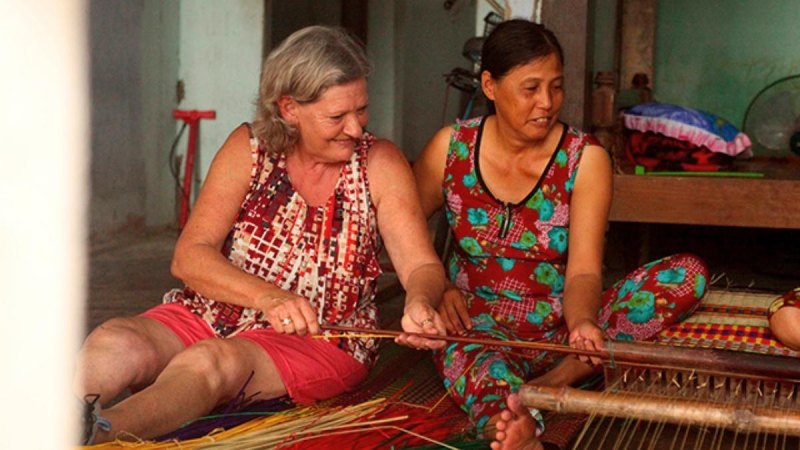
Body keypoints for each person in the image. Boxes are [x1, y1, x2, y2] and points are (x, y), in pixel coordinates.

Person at [76, 25, 447, 445]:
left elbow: (419, 264)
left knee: (211, 362)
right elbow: (190, 256)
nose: (356, 129)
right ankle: (41, 420)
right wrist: (267, 297)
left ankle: (94, 434)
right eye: (336, 117)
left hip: (324, 337)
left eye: (361, 110)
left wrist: (419, 301)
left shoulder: (379, 163)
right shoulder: (249, 149)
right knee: (117, 339)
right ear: (289, 108)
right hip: (216, 313)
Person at [412, 20, 709, 450]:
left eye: (556, 87)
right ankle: (515, 420)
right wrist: (436, 285)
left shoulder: (584, 159)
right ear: (490, 86)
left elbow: (585, 270)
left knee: (687, 273)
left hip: (561, 331)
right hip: (476, 331)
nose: (547, 103)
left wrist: (585, 322)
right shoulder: (450, 148)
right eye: (530, 88)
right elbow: (400, 230)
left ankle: (561, 379)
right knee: (471, 361)